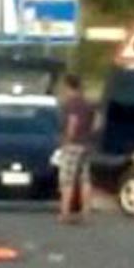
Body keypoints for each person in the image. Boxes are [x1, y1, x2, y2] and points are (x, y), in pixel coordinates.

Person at [57, 74, 95, 223]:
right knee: (85, 179)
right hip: (86, 145)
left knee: (67, 179)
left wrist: (66, 141)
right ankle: (86, 213)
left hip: (73, 145)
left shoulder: (71, 104)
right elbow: (97, 123)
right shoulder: (88, 103)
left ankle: (65, 212)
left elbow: (72, 123)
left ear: (68, 86)